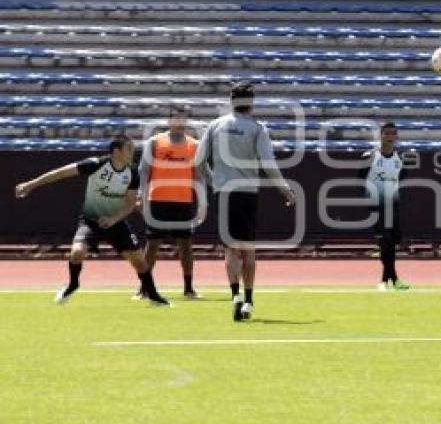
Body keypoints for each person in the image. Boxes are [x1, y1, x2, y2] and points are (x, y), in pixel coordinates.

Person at [14, 134, 170, 306]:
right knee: (77, 253)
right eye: (129, 149)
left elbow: (130, 203)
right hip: (90, 221)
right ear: (116, 151)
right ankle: (73, 285)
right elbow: (60, 173)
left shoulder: (132, 173)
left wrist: (113, 219)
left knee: (140, 262)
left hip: (116, 223)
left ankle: (154, 296)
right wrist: (30, 185)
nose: (133, 152)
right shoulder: (96, 165)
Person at [195, 82, 297, 322]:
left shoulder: (215, 125)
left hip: (224, 191)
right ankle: (249, 300)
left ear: (231, 99)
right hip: (247, 193)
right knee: (248, 249)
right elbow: (268, 164)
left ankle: (235, 295)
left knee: (230, 248)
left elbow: (199, 162)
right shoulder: (257, 129)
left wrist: (215, 181)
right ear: (251, 102)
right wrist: (285, 190)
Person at [137, 105, 209, 301]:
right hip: (158, 199)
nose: (179, 122)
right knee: (152, 245)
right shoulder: (154, 142)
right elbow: (144, 171)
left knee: (185, 245)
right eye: (175, 118)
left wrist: (203, 202)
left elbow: (199, 176)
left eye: (182, 118)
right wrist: (141, 195)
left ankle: (188, 288)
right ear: (168, 121)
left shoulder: (195, 145)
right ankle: (144, 288)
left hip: (183, 200)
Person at [358, 122, 410, 292]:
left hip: (393, 203)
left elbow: (402, 177)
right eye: (386, 133)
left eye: (393, 134)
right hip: (376, 204)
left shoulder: (400, 158)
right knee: (385, 240)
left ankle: (391, 279)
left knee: (394, 240)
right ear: (380, 135)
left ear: (396, 137)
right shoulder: (370, 156)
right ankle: (385, 281)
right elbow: (360, 179)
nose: (389, 137)